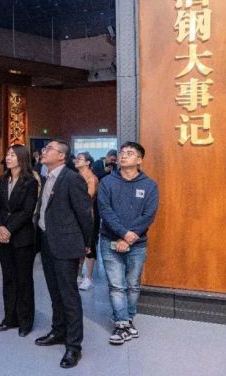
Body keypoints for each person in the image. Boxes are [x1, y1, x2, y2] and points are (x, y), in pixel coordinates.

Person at [33, 140, 93, 369]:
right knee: (54, 292)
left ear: (61, 156)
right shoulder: (47, 177)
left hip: (66, 245)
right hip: (47, 242)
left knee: (69, 296)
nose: (44, 151)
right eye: (44, 148)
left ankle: (74, 346)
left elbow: (84, 214)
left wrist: (86, 243)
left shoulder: (72, 178)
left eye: (48, 149)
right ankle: (58, 331)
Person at [98, 142, 158, 346]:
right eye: (122, 153)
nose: (123, 156)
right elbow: (105, 211)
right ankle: (121, 323)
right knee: (117, 286)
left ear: (139, 159)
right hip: (110, 241)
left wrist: (129, 237)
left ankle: (129, 317)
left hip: (137, 243)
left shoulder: (149, 185)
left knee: (133, 285)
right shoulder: (107, 182)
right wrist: (123, 234)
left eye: (129, 153)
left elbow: (148, 215)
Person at [0, 144, 39, 337]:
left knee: (24, 280)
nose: (8, 157)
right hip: (2, 237)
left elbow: (27, 211)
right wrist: (0, 227)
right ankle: (9, 318)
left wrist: (9, 229)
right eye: (8, 155)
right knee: (8, 278)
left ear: (21, 158)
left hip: (22, 237)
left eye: (12, 155)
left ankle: (25, 321)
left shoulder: (30, 181)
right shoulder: (3, 179)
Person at [74, 152, 100, 291]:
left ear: (88, 162)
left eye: (80, 159)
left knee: (89, 247)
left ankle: (88, 278)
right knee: (78, 245)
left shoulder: (92, 178)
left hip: (89, 216)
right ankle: (78, 275)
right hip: (75, 215)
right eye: (76, 158)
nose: (76, 160)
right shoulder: (75, 176)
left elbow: (87, 198)